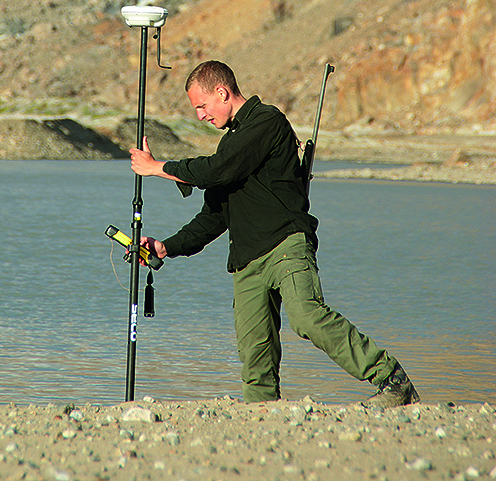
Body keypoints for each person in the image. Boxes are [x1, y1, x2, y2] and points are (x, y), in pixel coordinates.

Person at [129, 60, 420, 407]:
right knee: (255, 354)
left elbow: (216, 171)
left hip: (286, 246)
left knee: (307, 316)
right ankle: (263, 416)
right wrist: (166, 247)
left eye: (202, 106)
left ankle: (393, 381)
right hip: (246, 262)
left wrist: (156, 168)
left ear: (222, 93)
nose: (201, 115)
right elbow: (214, 215)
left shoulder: (266, 122)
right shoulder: (231, 143)